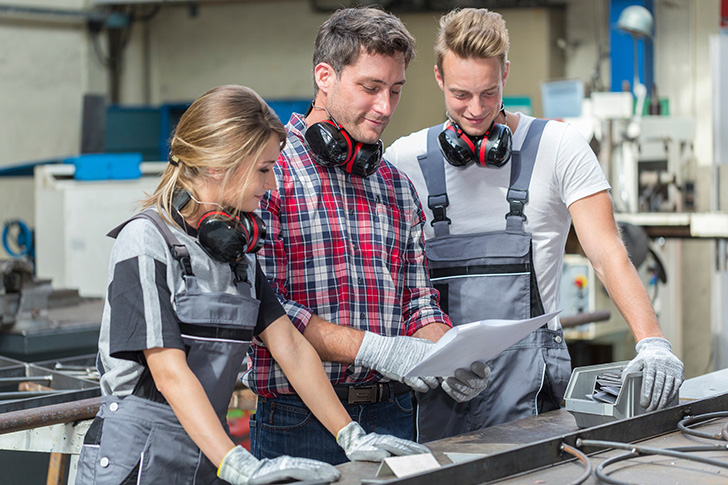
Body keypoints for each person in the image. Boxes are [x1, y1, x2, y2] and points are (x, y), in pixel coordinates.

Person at [75, 85, 431, 485]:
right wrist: (236, 462)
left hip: (206, 456)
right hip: (136, 462)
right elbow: (169, 372)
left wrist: (349, 434)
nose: (273, 184)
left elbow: (292, 348)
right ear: (216, 166)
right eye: (264, 169)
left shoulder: (236, 256)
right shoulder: (145, 242)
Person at [384, 7, 685, 442]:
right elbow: (395, 279)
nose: (475, 109)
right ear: (437, 78)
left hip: (534, 387)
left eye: (489, 93)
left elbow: (606, 252)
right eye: (460, 94)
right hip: (438, 389)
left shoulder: (559, 148)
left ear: (506, 72)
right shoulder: (405, 159)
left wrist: (652, 340)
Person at [244, 6, 491, 464]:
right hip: (298, 420)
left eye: (395, 91)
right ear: (325, 76)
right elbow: (265, 309)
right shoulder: (269, 174)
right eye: (370, 88)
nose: (385, 107)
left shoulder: (396, 186)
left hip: (395, 409)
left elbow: (417, 301)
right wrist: (376, 349)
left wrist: (447, 353)